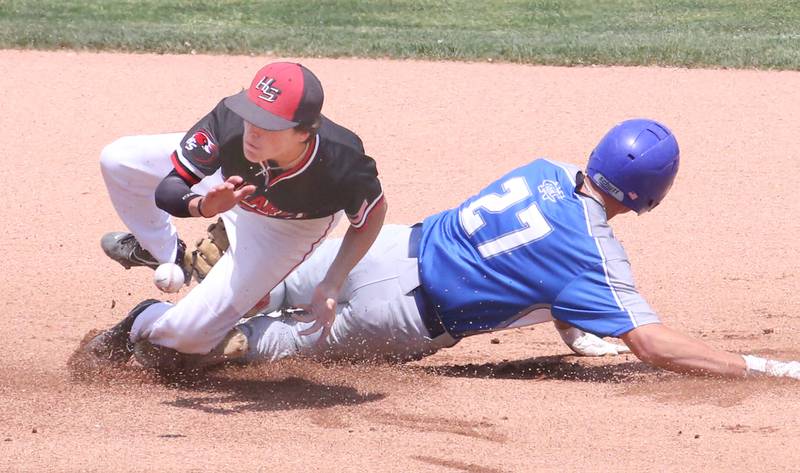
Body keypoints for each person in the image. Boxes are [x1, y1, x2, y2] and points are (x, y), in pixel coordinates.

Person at [157, 118, 799, 380]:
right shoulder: (591, 257)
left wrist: (574, 324)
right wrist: (764, 369)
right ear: (649, 196)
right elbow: (653, 344)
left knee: (253, 275)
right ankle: (174, 347)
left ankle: (168, 278)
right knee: (256, 343)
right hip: (401, 317)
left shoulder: (543, 169)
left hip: (383, 249)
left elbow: (537, 262)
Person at [77, 62, 387, 369]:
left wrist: (332, 283)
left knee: (188, 337)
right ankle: (167, 254)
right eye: (252, 115)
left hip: (284, 229)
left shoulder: (344, 164)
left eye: (267, 126)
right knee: (118, 160)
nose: (251, 132)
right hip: (224, 186)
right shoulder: (230, 121)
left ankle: (140, 318)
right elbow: (169, 189)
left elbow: (371, 217)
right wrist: (203, 205)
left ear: (304, 133)